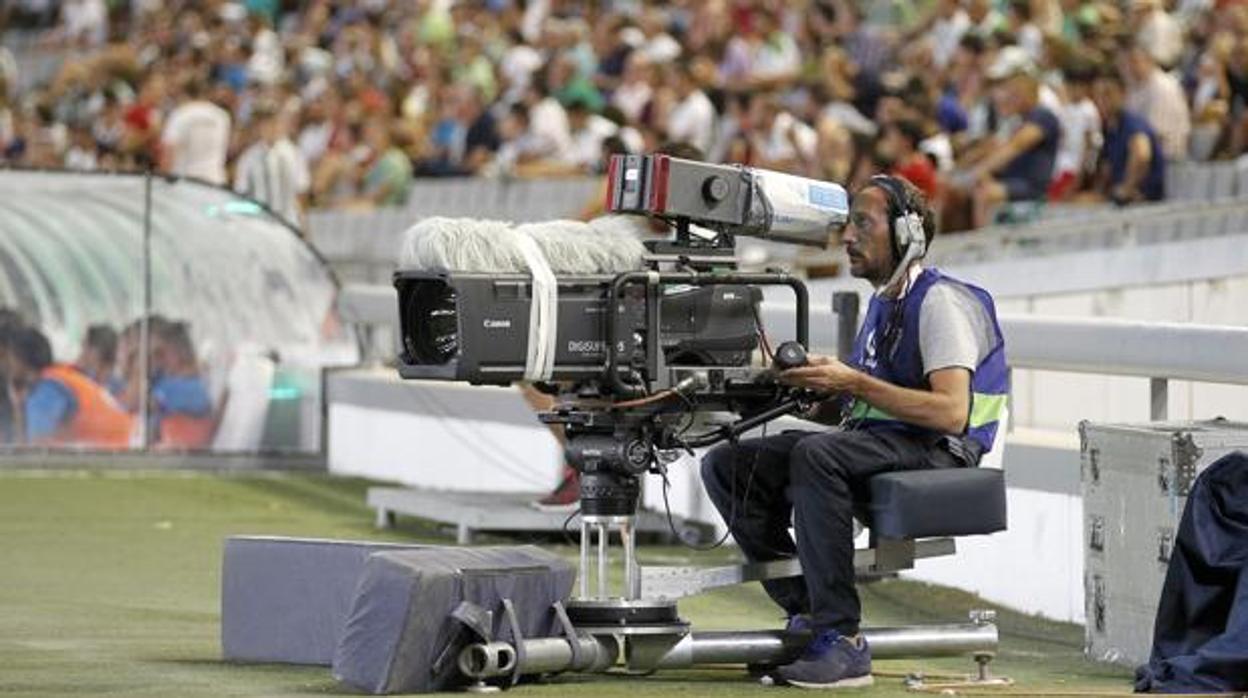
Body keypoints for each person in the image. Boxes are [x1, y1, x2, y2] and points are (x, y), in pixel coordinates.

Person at [700, 175, 1008, 688]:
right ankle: (807, 612)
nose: (847, 236)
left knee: (818, 457)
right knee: (729, 464)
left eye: (862, 223)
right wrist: (810, 393)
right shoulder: (883, 302)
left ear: (907, 232)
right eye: (847, 225)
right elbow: (859, 413)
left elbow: (952, 412)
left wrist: (854, 381)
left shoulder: (939, 304)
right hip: (887, 440)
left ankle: (842, 638)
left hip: (941, 448)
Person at [4, 325, 132, 448]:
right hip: (119, 451)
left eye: (5, 357)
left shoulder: (47, 390)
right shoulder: (63, 377)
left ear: (18, 359)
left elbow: (37, 452)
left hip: (110, 459)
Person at [1090, 68, 1165, 204]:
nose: (1102, 100)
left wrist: (1126, 189)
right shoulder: (1109, 129)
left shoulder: (1132, 123)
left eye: (1108, 94)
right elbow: (1106, 168)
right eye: (1097, 95)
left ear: (1123, 94)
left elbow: (1142, 154)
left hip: (1142, 201)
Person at [160, 78, 232, 185]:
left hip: (186, 182)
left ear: (183, 94)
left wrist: (163, 181)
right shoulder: (222, 116)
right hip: (215, 181)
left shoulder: (180, 114)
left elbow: (168, 152)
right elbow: (227, 149)